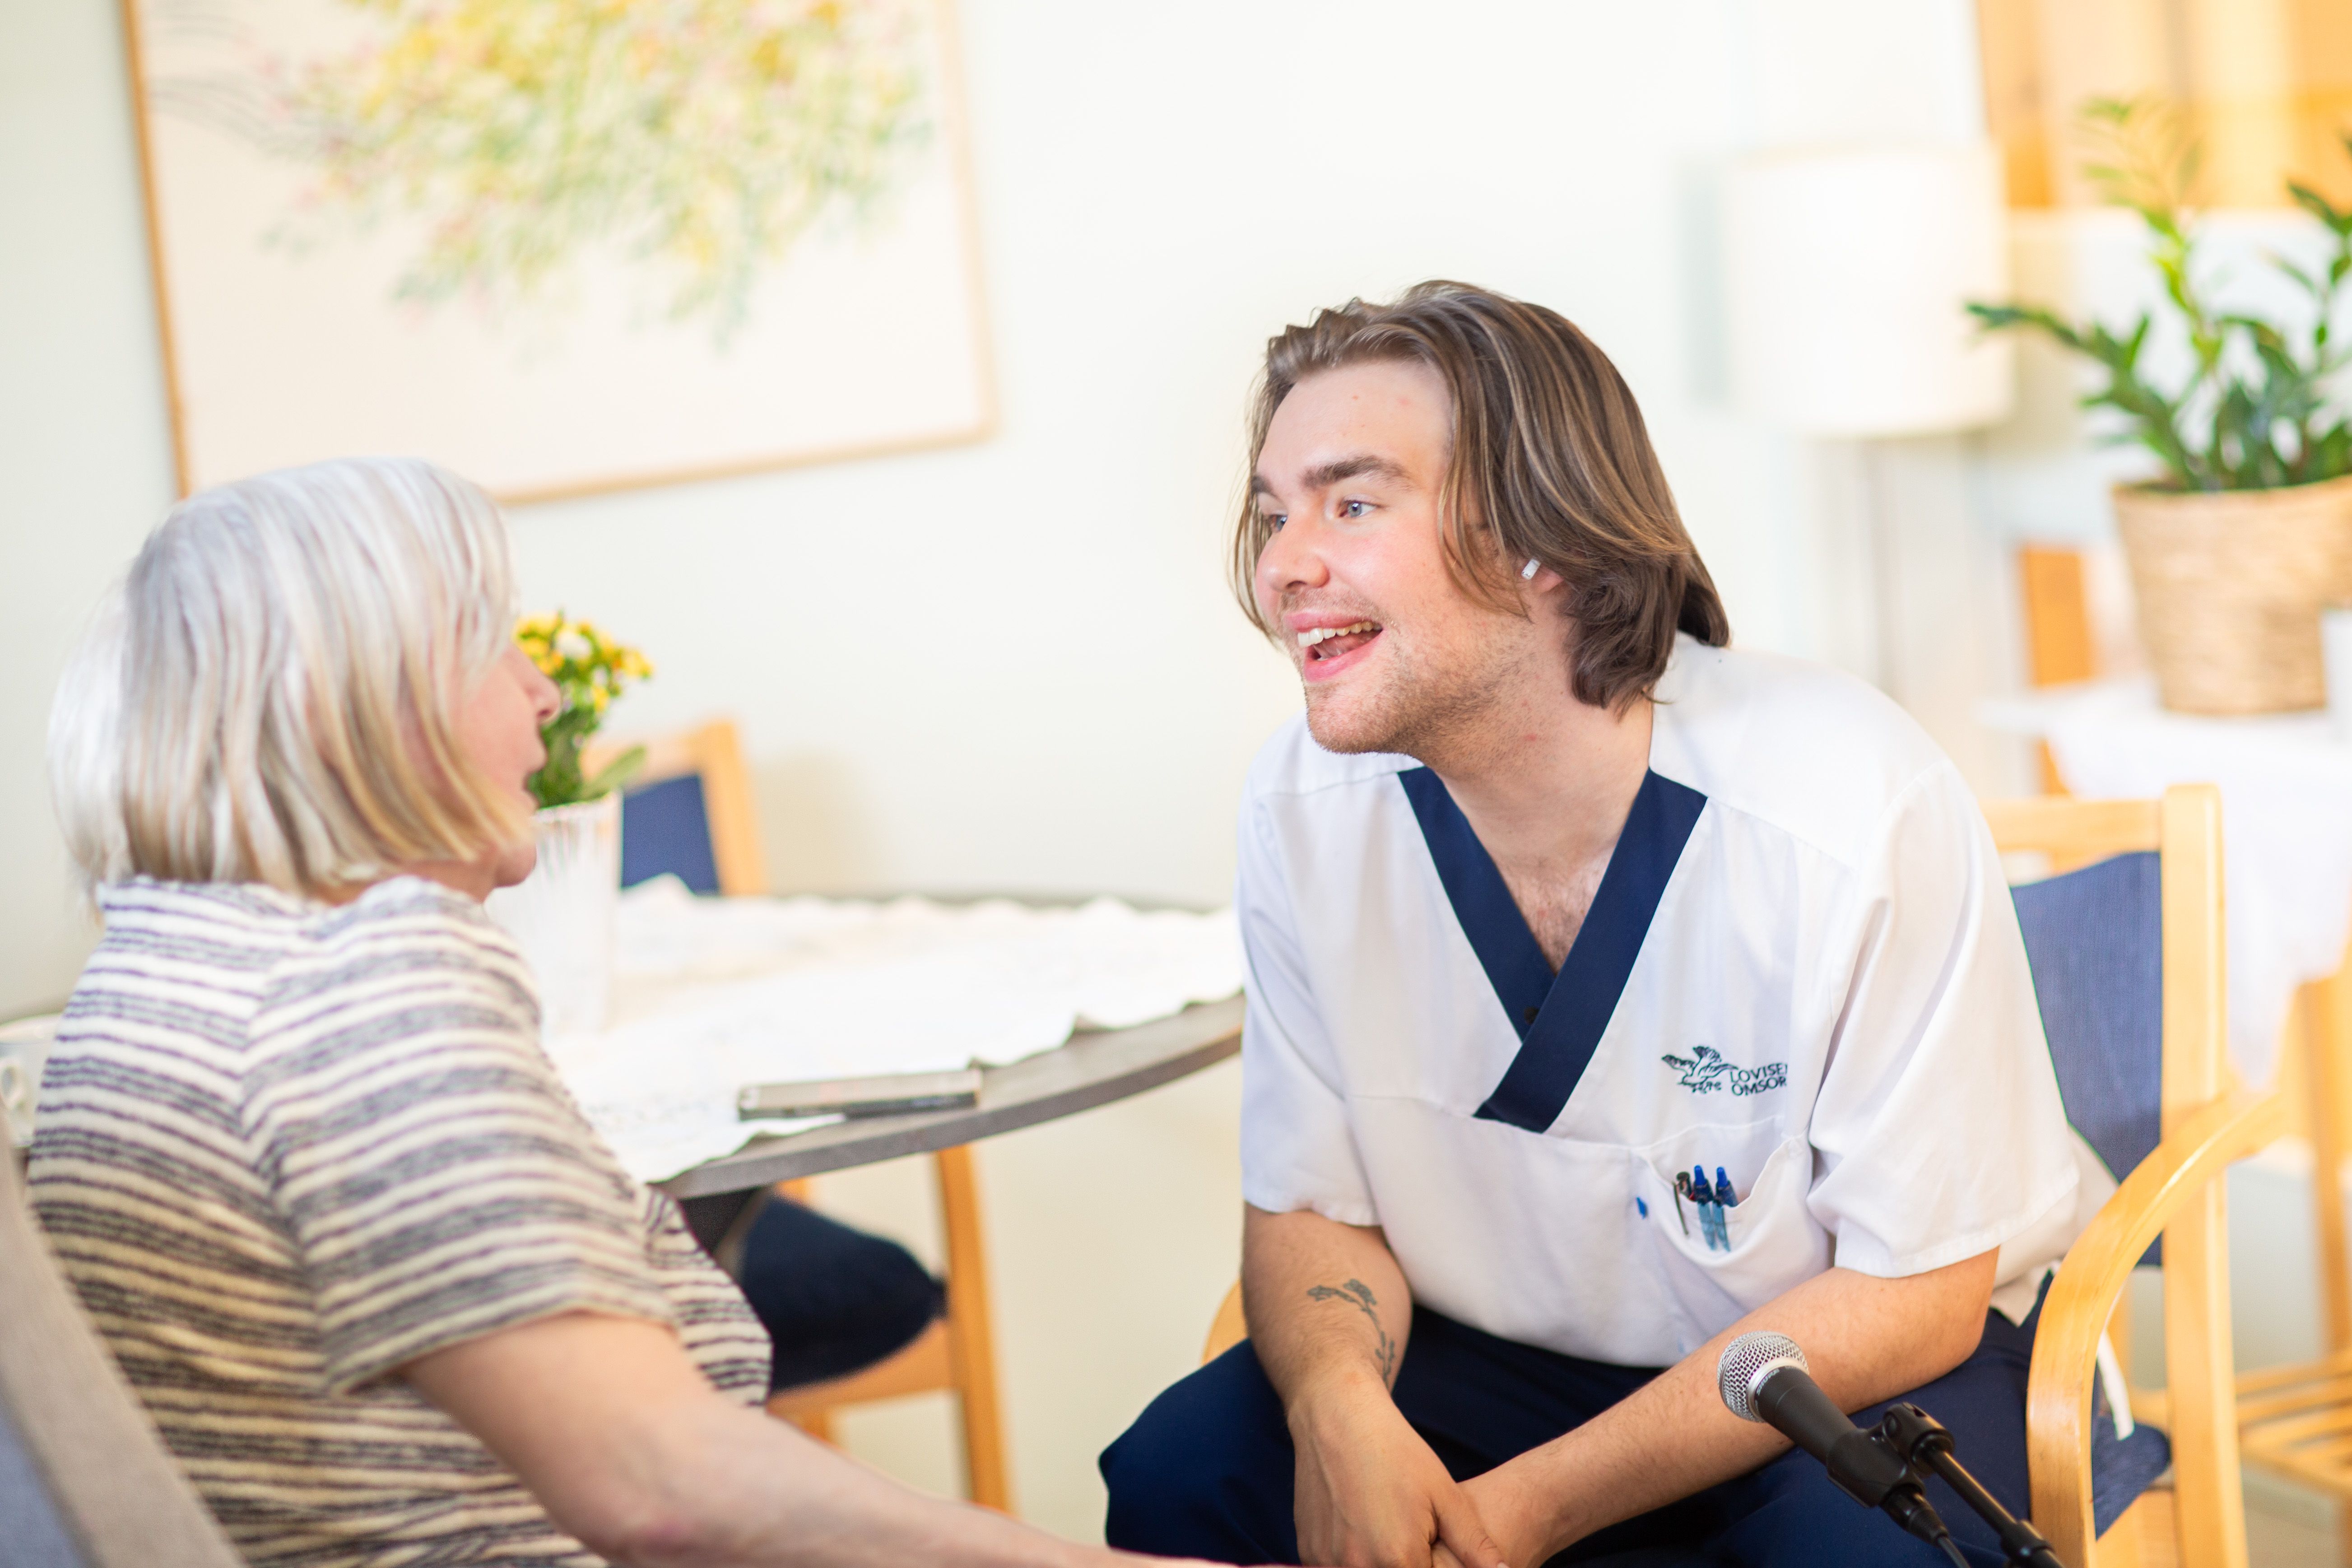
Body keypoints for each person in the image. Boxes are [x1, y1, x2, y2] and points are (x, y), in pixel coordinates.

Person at [29, 457, 1193, 1568]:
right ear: (358, 706)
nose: (542, 696)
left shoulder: (139, 987)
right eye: (494, 649)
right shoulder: (365, 983)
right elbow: (666, 1492)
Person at [1098, 283, 2100, 1568]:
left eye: (1350, 502)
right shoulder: (1302, 808)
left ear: (1543, 537)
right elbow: (1309, 1202)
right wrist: (1338, 1406)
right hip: (1504, 1360)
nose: (1286, 562)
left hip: (1835, 1360)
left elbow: (1916, 1292)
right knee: (1190, 1467)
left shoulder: (1843, 802)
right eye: (1272, 513)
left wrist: (1529, 1507)